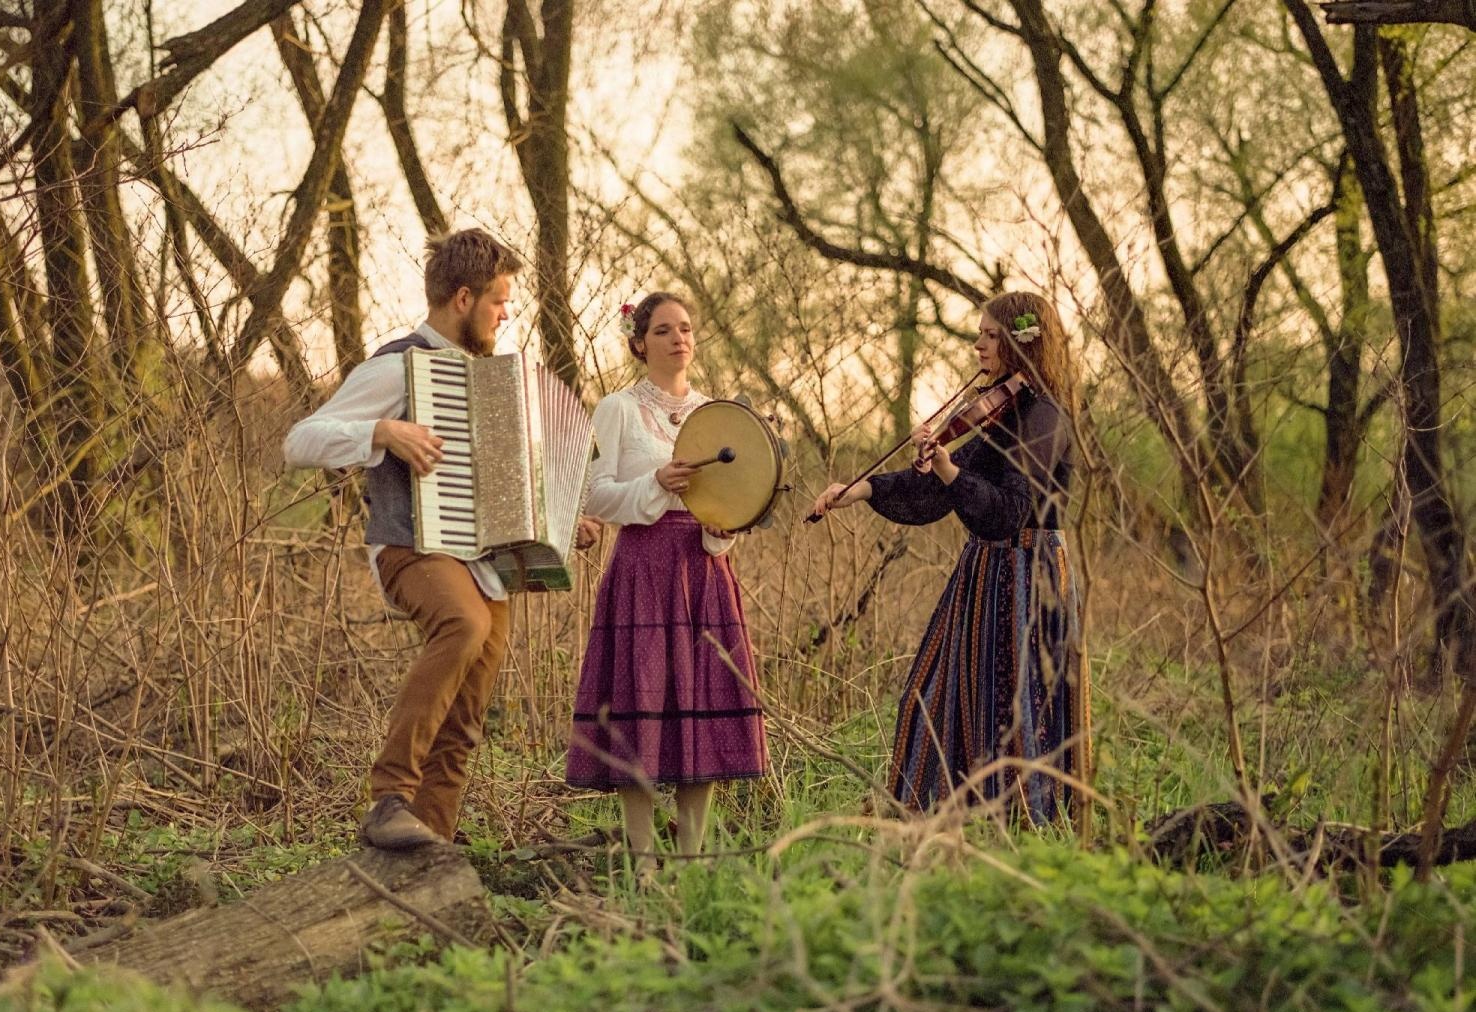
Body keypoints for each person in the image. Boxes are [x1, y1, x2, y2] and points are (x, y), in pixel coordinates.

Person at [283, 228, 599, 849]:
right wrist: (383, 432)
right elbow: (300, 440)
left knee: (468, 710)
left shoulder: (492, 381)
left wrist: (565, 522)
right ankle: (389, 796)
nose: (506, 314)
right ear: (462, 298)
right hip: (412, 546)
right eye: (498, 301)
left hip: (486, 562)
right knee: (463, 626)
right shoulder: (398, 364)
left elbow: (516, 482)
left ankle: (430, 845)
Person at [812, 291, 1090, 823]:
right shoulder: (1002, 410)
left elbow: (1009, 511)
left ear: (1018, 341)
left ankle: (1022, 825)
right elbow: (936, 492)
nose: (978, 344)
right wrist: (861, 489)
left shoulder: (1045, 416)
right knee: (934, 695)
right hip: (986, 573)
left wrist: (948, 470)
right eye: (980, 334)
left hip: (1028, 576)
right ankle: (937, 815)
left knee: (1017, 709)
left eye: (989, 335)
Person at [566, 291, 769, 873]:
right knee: (642, 699)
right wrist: (656, 482)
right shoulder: (618, 409)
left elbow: (738, 498)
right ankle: (641, 858)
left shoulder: (720, 415)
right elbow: (594, 495)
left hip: (706, 571)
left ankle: (692, 859)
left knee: (699, 703)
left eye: (685, 328)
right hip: (644, 570)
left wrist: (723, 528)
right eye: (663, 330)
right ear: (639, 343)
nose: (679, 338)